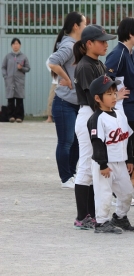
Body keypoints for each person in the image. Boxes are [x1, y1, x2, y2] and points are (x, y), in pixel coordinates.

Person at [72, 24, 118, 230]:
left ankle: (90, 213)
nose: (106, 44)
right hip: (89, 115)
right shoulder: (84, 66)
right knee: (86, 166)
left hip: (97, 116)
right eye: (101, 41)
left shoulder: (96, 63)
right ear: (89, 43)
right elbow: (94, 98)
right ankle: (82, 216)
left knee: (93, 166)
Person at [87, 75, 134, 234]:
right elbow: (97, 143)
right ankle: (101, 222)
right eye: (108, 94)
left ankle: (120, 217)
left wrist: (130, 159)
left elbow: (127, 137)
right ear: (97, 98)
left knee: (127, 192)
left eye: (114, 92)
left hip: (120, 162)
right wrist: (102, 164)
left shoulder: (120, 114)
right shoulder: (97, 118)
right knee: (104, 194)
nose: (114, 96)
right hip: (105, 164)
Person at [48, 11, 86, 189]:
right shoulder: (69, 45)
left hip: (75, 103)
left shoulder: (75, 44)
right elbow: (53, 62)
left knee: (77, 141)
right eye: (84, 24)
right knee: (66, 142)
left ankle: (72, 173)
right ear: (76, 26)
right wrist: (67, 79)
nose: (85, 27)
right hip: (64, 103)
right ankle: (65, 178)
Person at [105, 17, 134, 182]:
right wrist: (116, 96)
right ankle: (120, 187)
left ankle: (125, 185)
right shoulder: (117, 54)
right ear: (130, 34)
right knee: (127, 147)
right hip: (125, 108)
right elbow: (107, 78)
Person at [2, 38, 30, 123]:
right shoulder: (8, 57)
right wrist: (5, 76)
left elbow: (28, 68)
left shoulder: (23, 57)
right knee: (10, 99)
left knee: (19, 99)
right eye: (14, 44)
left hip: (19, 81)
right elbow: (3, 67)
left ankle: (19, 117)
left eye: (17, 43)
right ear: (11, 46)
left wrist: (21, 68)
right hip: (10, 80)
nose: (15, 45)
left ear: (20, 45)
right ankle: (11, 116)